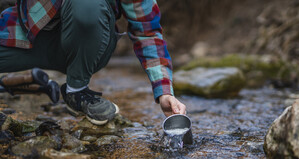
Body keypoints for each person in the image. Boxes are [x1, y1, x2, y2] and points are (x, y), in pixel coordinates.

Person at [0, 0, 186, 125]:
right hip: (23, 34)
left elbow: (147, 32)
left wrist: (164, 92)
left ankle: (77, 90)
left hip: (89, 42)